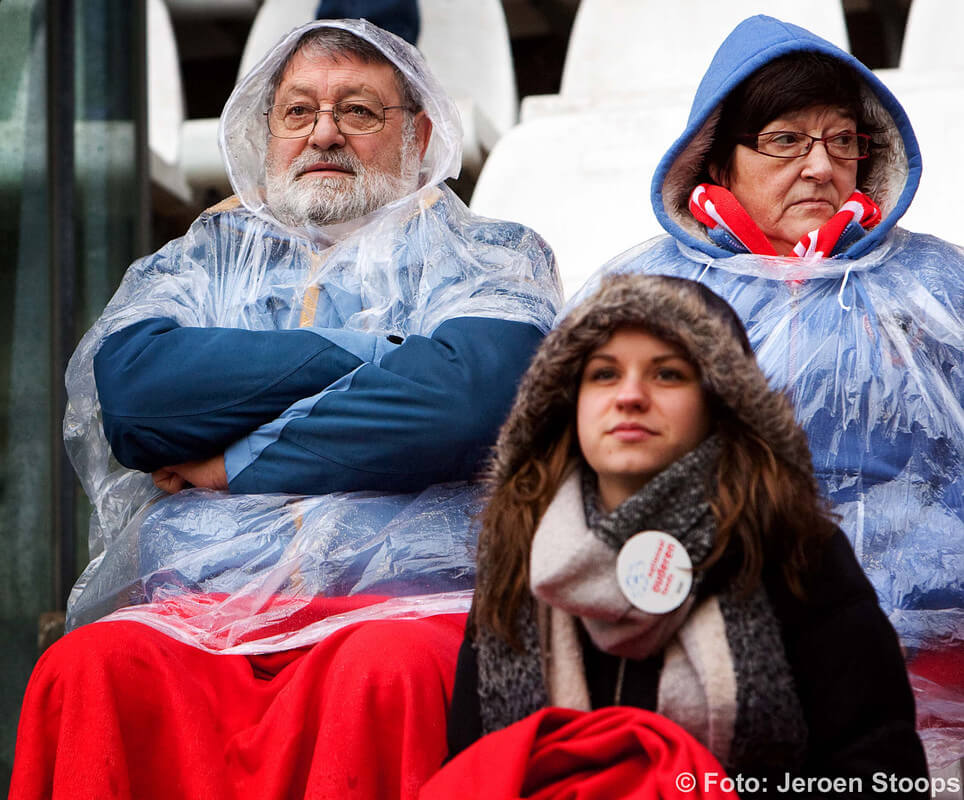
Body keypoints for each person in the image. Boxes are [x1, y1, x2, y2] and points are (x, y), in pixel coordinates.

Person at [10, 19, 560, 800]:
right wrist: (385, 352)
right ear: (266, 133)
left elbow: (462, 403)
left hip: (405, 605)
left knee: (385, 674)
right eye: (298, 111)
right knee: (86, 669)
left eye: (360, 112)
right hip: (203, 604)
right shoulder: (200, 257)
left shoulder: (494, 252)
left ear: (421, 133)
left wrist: (228, 461)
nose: (324, 132)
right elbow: (135, 399)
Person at [569, 15, 964, 769]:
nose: (822, 167)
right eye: (786, 140)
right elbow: (578, 480)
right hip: (701, 627)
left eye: (843, 140)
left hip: (928, 630)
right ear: (716, 162)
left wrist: (909, 581)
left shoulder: (940, 287)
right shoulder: (646, 294)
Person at [429, 273, 927, 798]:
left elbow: (877, 765)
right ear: (564, 402)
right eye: (602, 374)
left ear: (720, 399)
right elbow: (475, 764)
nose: (629, 396)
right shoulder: (518, 549)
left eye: (667, 374)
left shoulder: (793, 546)